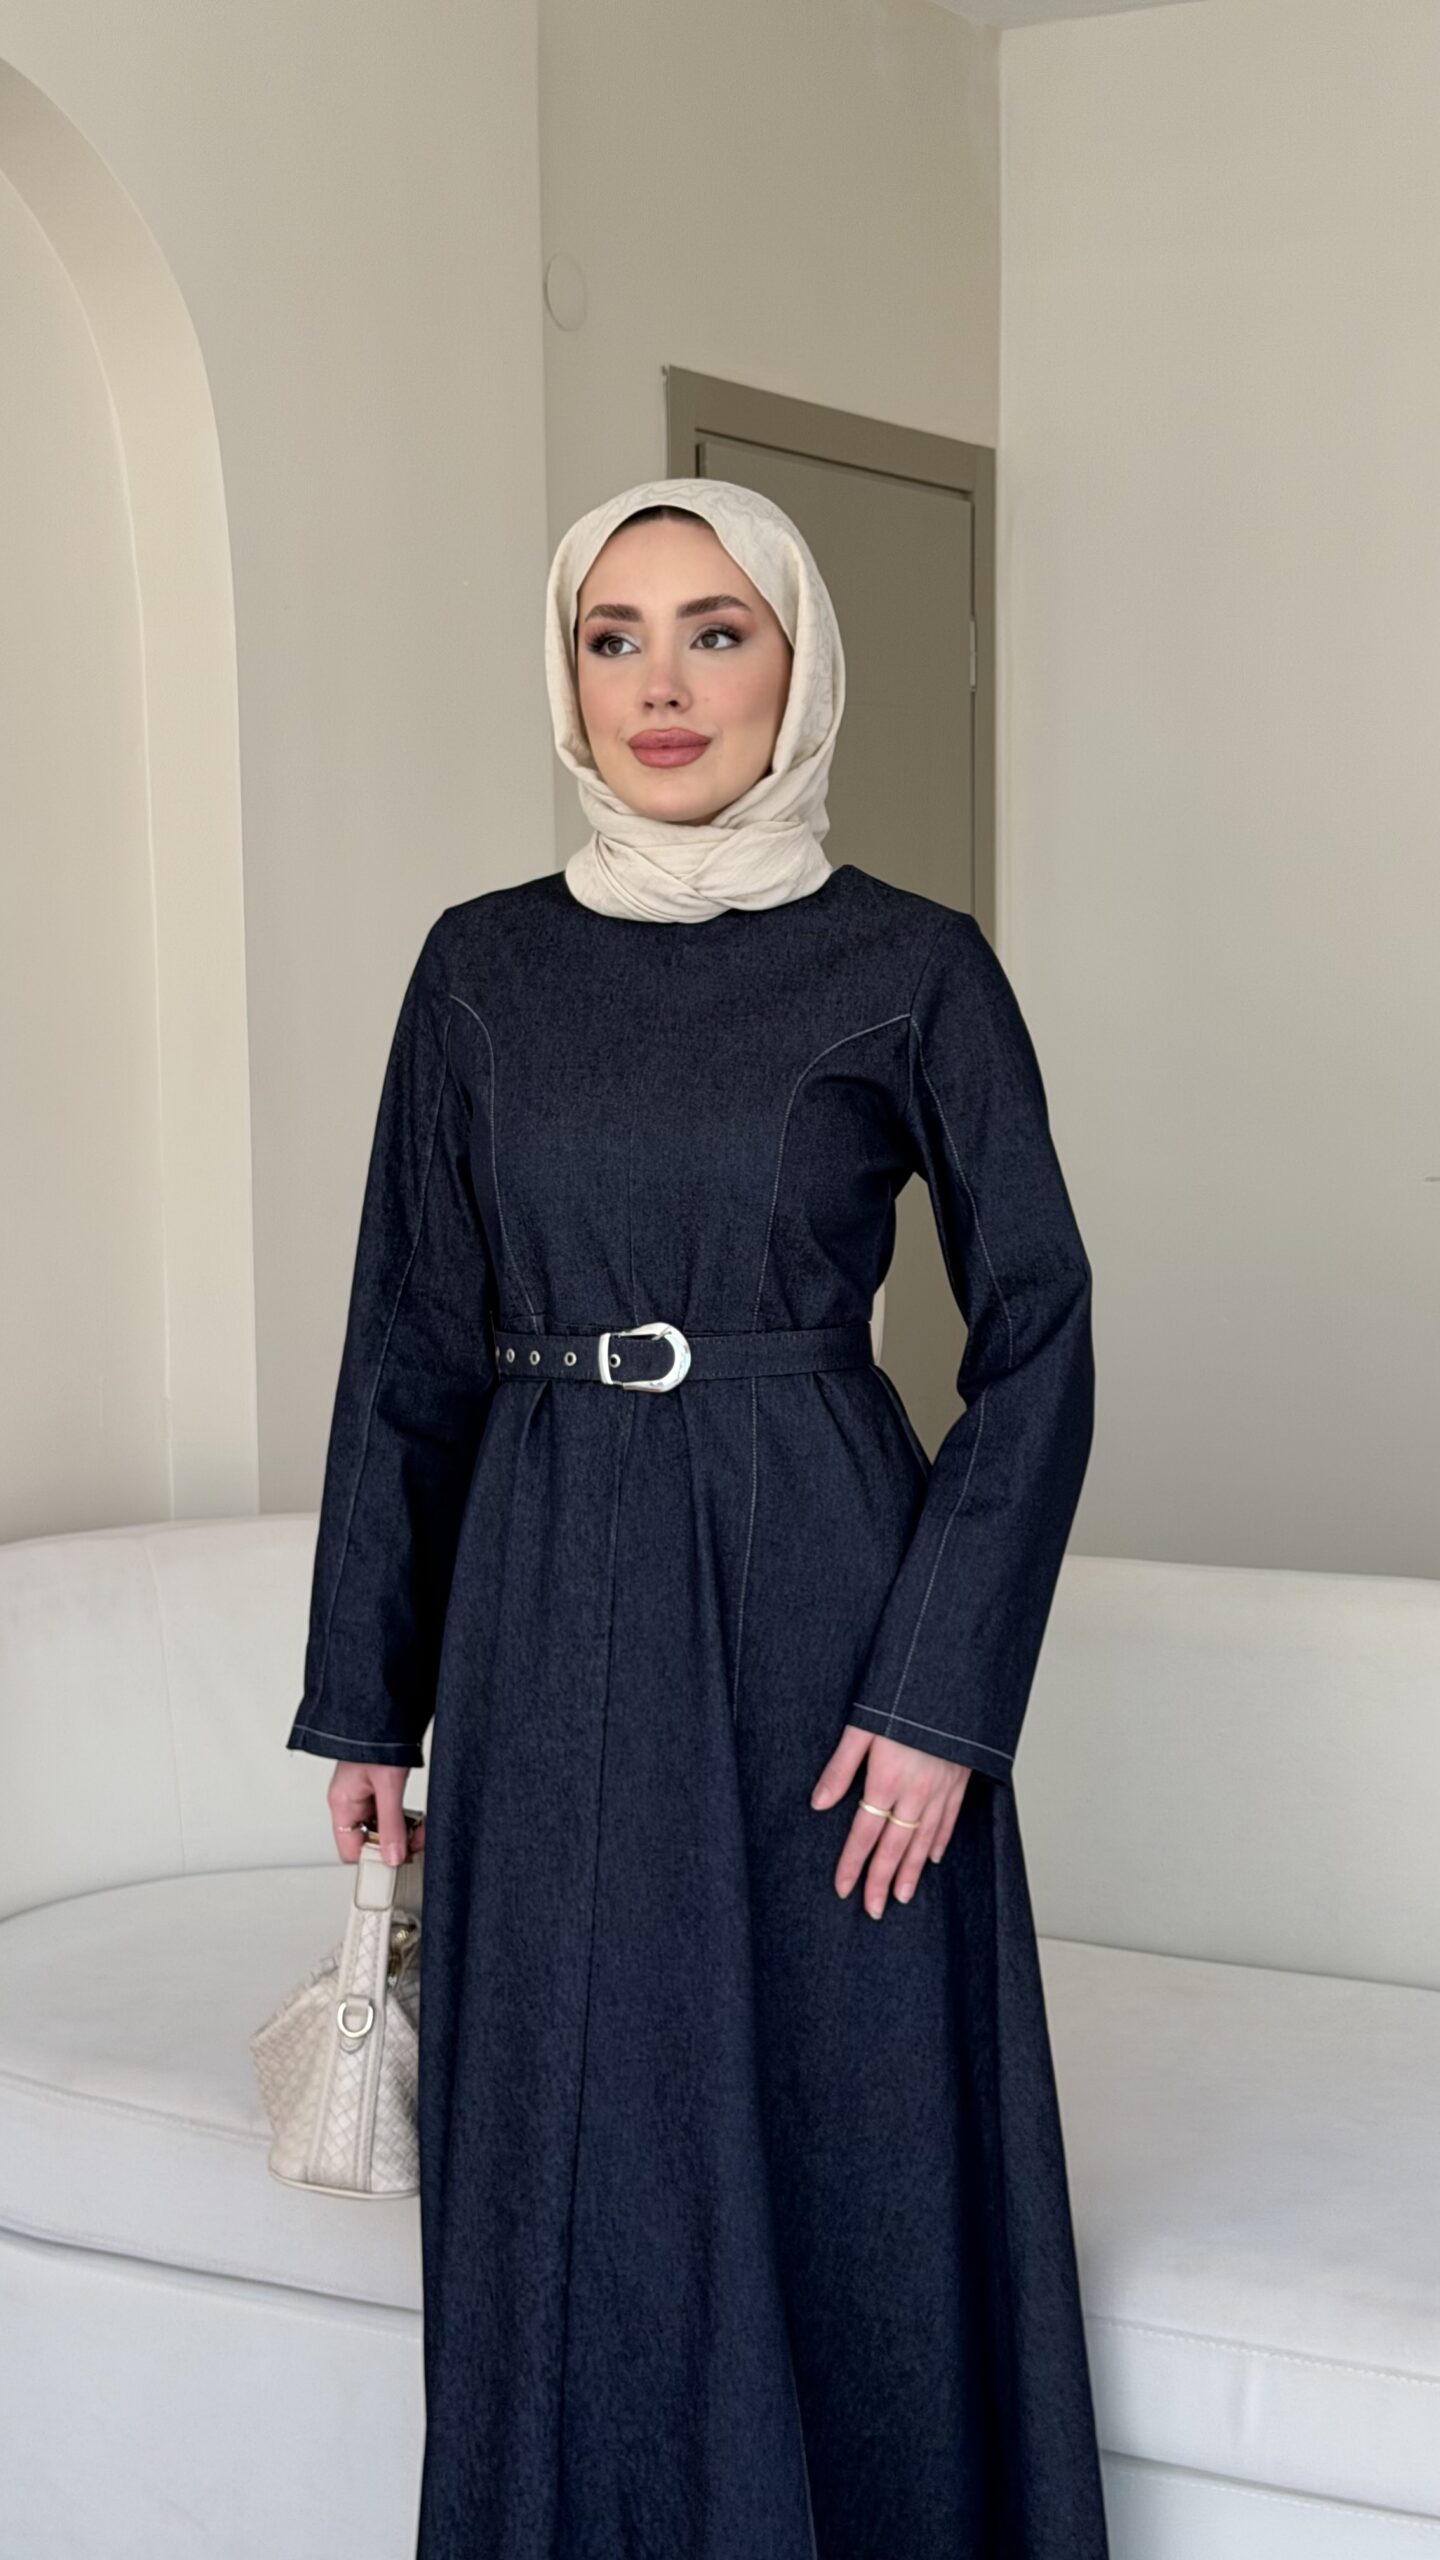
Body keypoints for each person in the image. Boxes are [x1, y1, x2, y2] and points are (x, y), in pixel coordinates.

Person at [286, 475, 1109, 2559]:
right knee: (576, 2125)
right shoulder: (479, 969)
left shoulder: (912, 965)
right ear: (568, 677)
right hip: (543, 1587)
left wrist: (938, 1698)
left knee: (845, 2127)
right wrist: (367, 1700)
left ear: (797, 664)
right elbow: (408, 1334)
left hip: (827, 1603)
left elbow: (1038, 1324)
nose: (662, 684)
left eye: (715, 631)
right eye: (615, 636)